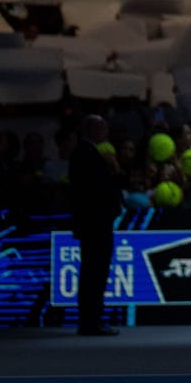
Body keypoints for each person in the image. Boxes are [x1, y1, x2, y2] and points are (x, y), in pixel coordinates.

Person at [68, 115, 122, 336]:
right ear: (91, 129)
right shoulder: (86, 154)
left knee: (94, 272)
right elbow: (98, 190)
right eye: (102, 127)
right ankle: (91, 322)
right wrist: (114, 170)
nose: (106, 131)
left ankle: (91, 320)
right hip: (95, 224)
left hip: (95, 223)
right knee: (94, 273)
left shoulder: (86, 153)